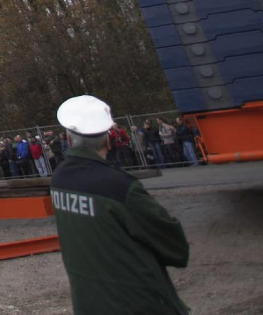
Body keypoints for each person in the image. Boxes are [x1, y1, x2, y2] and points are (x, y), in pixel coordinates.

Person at [51, 95, 190, 314]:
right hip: (137, 303)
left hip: (89, 302)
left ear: (69, 139)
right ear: (108, 140)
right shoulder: (120, 186)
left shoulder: (59, 179)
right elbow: (174, 245)